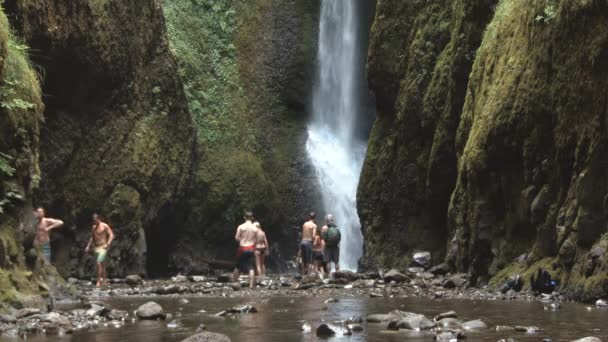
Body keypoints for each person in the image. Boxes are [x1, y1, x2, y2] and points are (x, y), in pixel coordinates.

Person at [85, 213, 114, 287]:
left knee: (98, 262)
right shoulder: (94, 227)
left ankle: (98, 280)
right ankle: (104, 281)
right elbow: (92, 237)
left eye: (95, 220)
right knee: (102, 265)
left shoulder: (104, 225)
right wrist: (88, 246)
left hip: (104, 247)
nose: (94, 222)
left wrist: (108, 244)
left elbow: (111, 235)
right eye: (93, 221)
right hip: (97, 247)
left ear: (99, 219)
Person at [233, 211, 257, 288]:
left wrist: (242, 239)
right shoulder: (255, 228)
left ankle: (235, 282)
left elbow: (236, 238)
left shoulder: (240, 226)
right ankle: (250, 285)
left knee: (237, 266)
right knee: (251, 267)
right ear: (252, 218)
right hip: (251, 247)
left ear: (244, 217)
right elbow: (255, 240)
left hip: (242, 247)